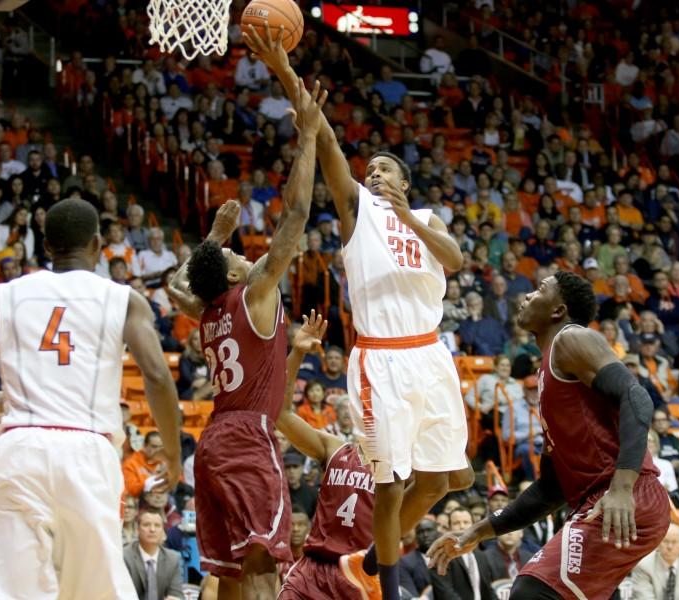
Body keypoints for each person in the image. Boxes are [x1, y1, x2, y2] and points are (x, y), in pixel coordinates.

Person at [243, 26, 473, 600]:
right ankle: (384, 587)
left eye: (385, 168)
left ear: (405, 180)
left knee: (452, 478)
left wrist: (411, 218)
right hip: (383, 358)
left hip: (431, 352)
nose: (374, 173)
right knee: (390, 486)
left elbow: (456, 259)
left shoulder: (428, 218)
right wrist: (285, 72)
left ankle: (371, 558)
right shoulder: (358, 211)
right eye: (370, 168)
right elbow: (323, 142)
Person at [0, 198, 183, 599]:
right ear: (96, 245)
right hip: (86, 453)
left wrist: (11, 400)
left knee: (10, 592)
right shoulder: (122, 299)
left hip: (18, 451)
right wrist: (174, 454)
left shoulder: (2, 297)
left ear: (46, 243)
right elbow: (158, 376)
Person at [164, 79, 326, 600]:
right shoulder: (254, 292)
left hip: (213, 441)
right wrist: (308, 141)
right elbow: (296, 217)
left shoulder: (207, 309)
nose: (243, 253)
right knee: (261, 567)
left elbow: (173, 286)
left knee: (232, 572)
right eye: (235, 255)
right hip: (248, 437)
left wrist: (213, 236)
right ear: (236, 277)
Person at [426, 271, 670, 599]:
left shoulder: (572, 340)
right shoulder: (549, 372)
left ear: (558, 310)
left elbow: (636, 396)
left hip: (624, 495)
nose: (527, 296)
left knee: (532, 592)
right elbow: (548, 490)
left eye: (540, 289)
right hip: (599, 500)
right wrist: (478, 531)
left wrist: (622, 488)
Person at [276, 313, 377, 599]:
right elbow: (281, 413)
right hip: (313, 569)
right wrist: (296, 353)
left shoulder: (403, 466)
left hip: (359, 574)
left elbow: (450, 479)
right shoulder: (335, 448)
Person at [429, 507, 494, 599]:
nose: (462, 526)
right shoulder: (441, 555)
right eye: (456, 523)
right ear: (449, 528)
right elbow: (446, 594)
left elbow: (488, 590)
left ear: (473, 526)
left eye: (466, 522)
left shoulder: (481, 555)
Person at [630, 524, 679, 600]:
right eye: (665, 541)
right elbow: (644, 598)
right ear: (658, 544)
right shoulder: (644, 566)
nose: (669, 547)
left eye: (674, 542)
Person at [123, 509, 184, 600]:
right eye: (146, 525)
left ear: (163, 531)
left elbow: (176, 594)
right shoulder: (124, 556)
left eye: (157, 525)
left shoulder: (173, 559)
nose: (152, 529)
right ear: (137, 529)